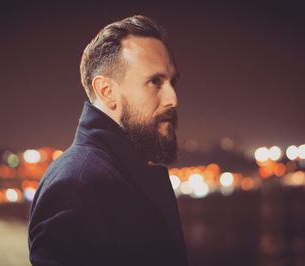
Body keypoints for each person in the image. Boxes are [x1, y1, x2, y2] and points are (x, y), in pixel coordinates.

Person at [28, 15, 188, 266]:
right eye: (155, 82)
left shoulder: (116, 173)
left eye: (172, 82)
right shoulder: (76, 184)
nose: (173, 98)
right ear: (107, 91)